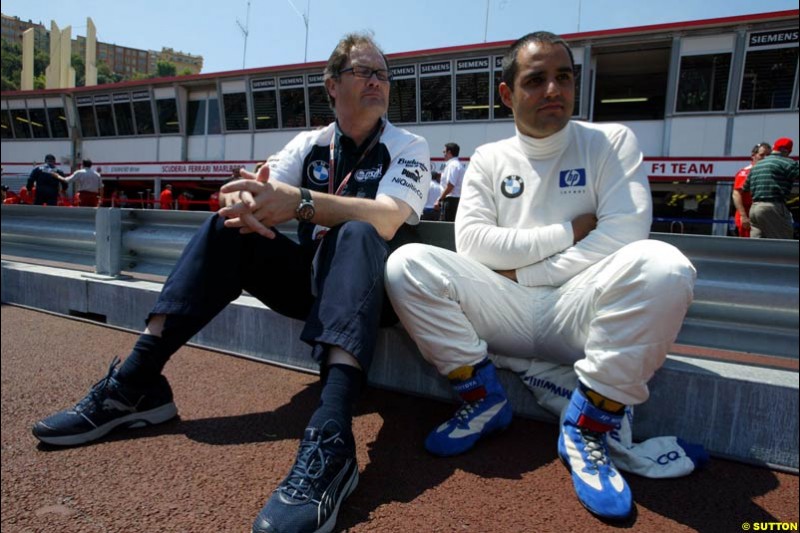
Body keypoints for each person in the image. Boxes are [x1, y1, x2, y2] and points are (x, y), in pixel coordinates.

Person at [32, 32, 430, 533]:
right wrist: (243, 201)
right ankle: (136, 384)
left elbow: (390, 219)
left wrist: (301, 202)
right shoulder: (311, 143)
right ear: (332, 86)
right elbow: (256, 189)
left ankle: (332, 433)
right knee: (226, 226)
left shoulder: (409, 146)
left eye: (382, 74)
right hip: (311, 288)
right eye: (364, 72)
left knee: (357, 231)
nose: (377, 82)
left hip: (377, 297)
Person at [385, 31, 696, 521]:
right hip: (504, 310)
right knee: (407, 265)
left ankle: (587, 429)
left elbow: (624, 234)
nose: (553, 89)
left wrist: (527, 273)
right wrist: (568, 231)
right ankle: (483, 399)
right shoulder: (488, 158)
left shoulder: (611, 141)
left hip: (576, 310)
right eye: (536, 80)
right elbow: (473, 245)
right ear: (508, 94)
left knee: (665, 266)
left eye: (564, 77)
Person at [743, 137, 799, 239]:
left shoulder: (757, 165)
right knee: (782, 243)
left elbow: (745, 187)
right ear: (787, 151)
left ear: (774, 148)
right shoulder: (788, 163)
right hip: (773, 208)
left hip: (755, 209)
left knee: (758, 246)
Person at [732, 143, 770, 237]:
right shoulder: (745, 172)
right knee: (748, 246)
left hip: (764, 215)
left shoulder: (769, 172)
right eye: (762, 155)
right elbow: (736, 194)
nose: (765, 158)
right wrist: (743, 216)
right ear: (753, 155)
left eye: (768, 155)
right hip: (748, 215)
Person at [434, 143, 466, 221]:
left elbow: (450, 186)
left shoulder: (453, 165)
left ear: (449, 152)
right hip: (454, 200)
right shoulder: (456, 165)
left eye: (444, 152)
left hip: (451, 201)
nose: (443, 154)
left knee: (447, 227)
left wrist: (439, 199)